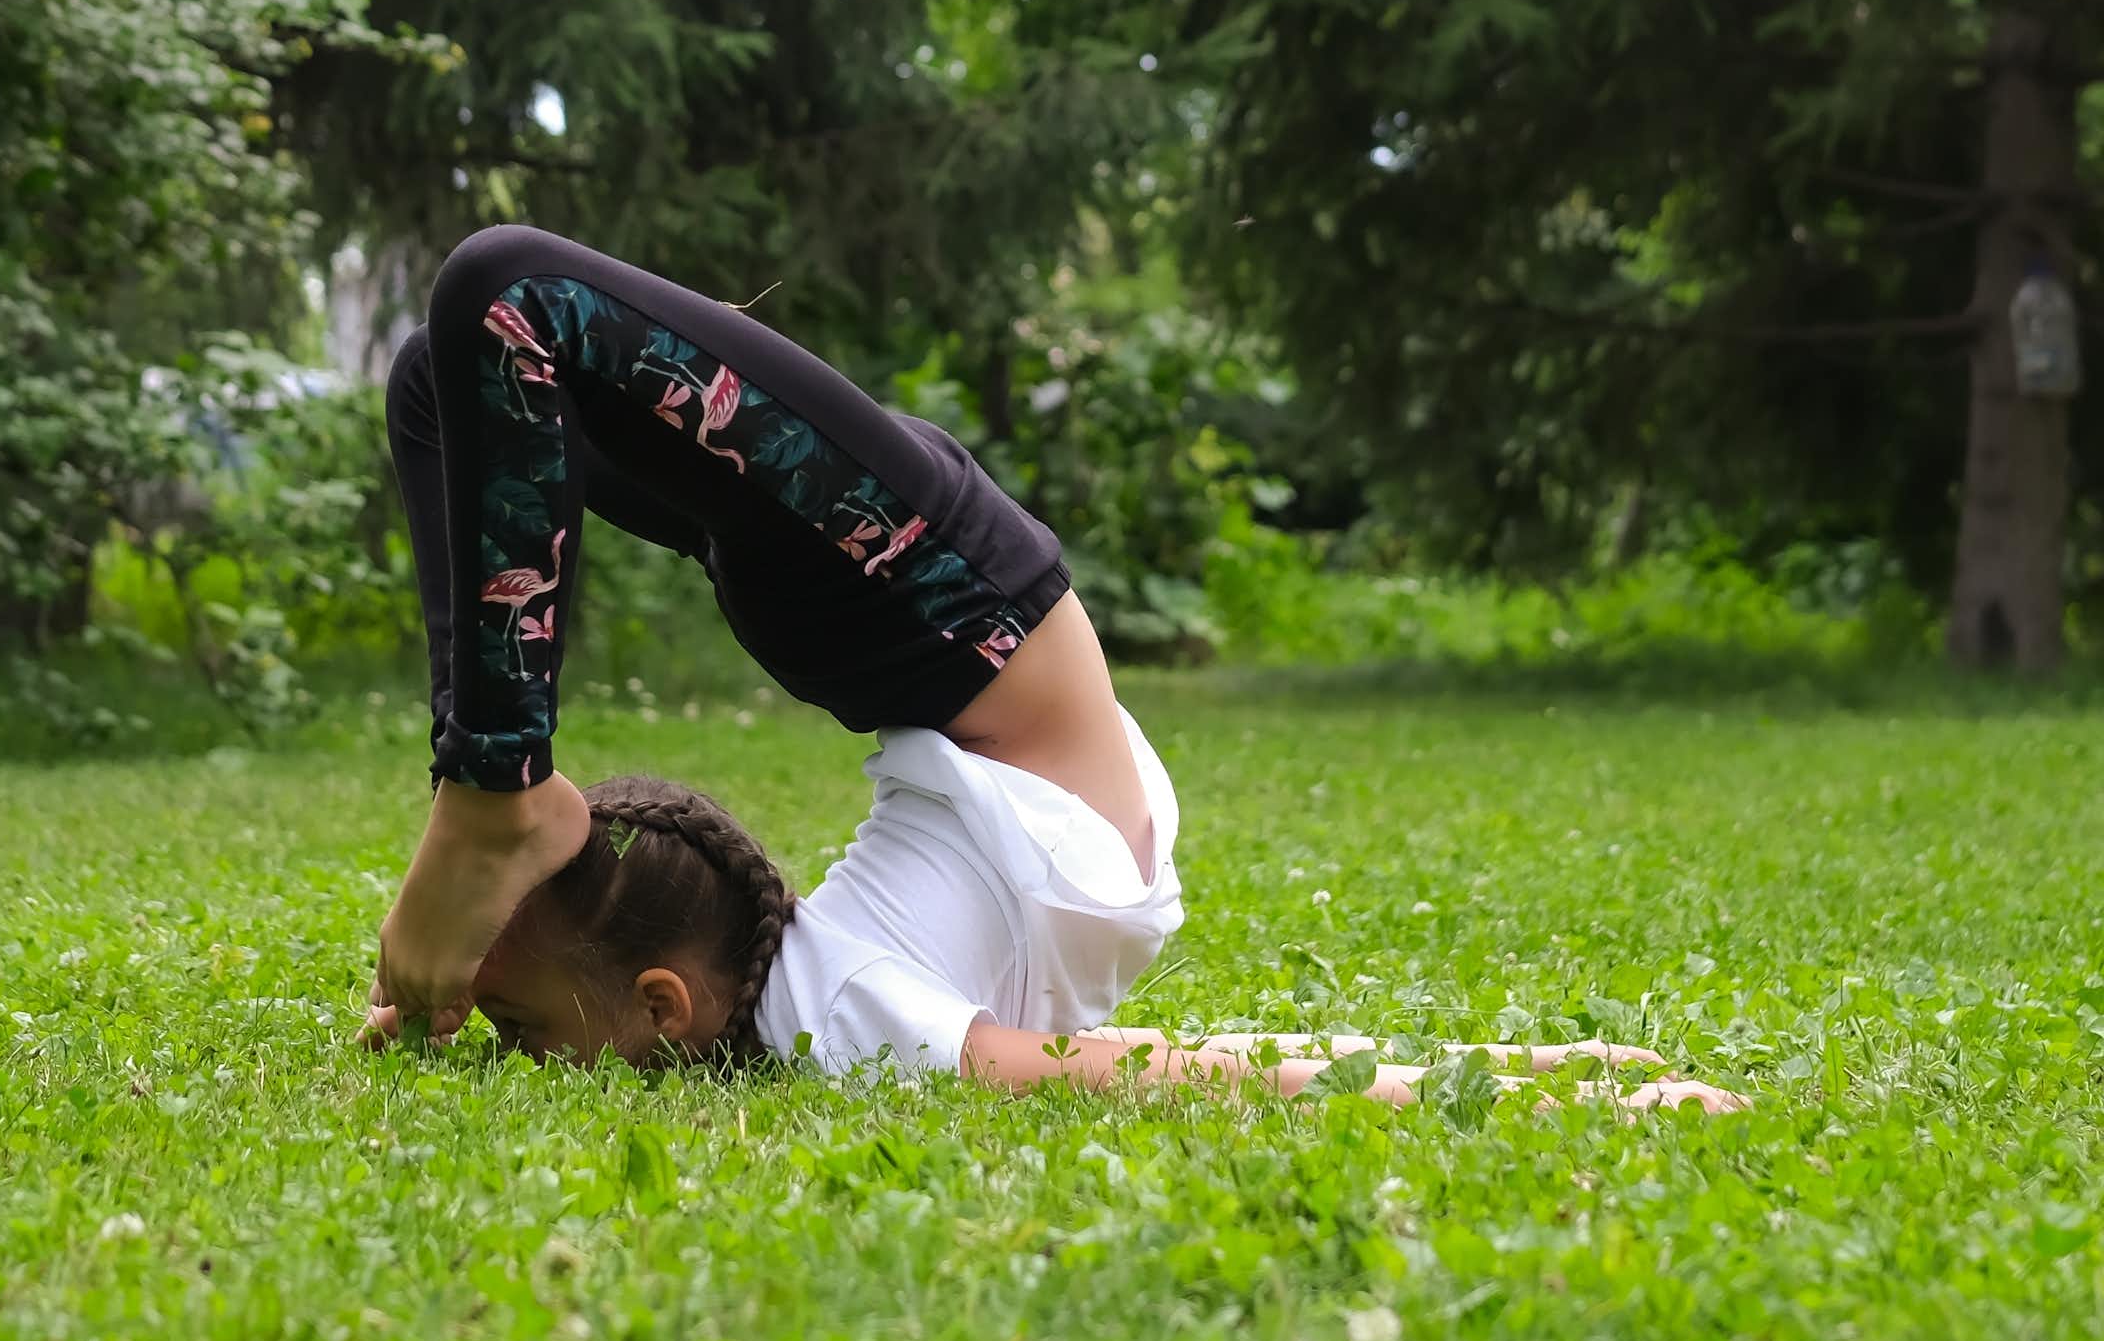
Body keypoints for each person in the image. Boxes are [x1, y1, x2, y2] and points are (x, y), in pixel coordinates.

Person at [359, 225, 1742, 1111]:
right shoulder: (831, 1021)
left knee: (454, 357)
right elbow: (1155, 1068)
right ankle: (499, 786)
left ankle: (500, 786)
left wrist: (1541, 1070)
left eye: (528, 1038)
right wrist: (1541, 1086)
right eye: (515, 1035)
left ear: (664, 1008)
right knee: (500, 307)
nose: (521, 1062)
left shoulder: (832, 1016)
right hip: (966, 643)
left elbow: (1154, 1066)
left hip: (970, 670)